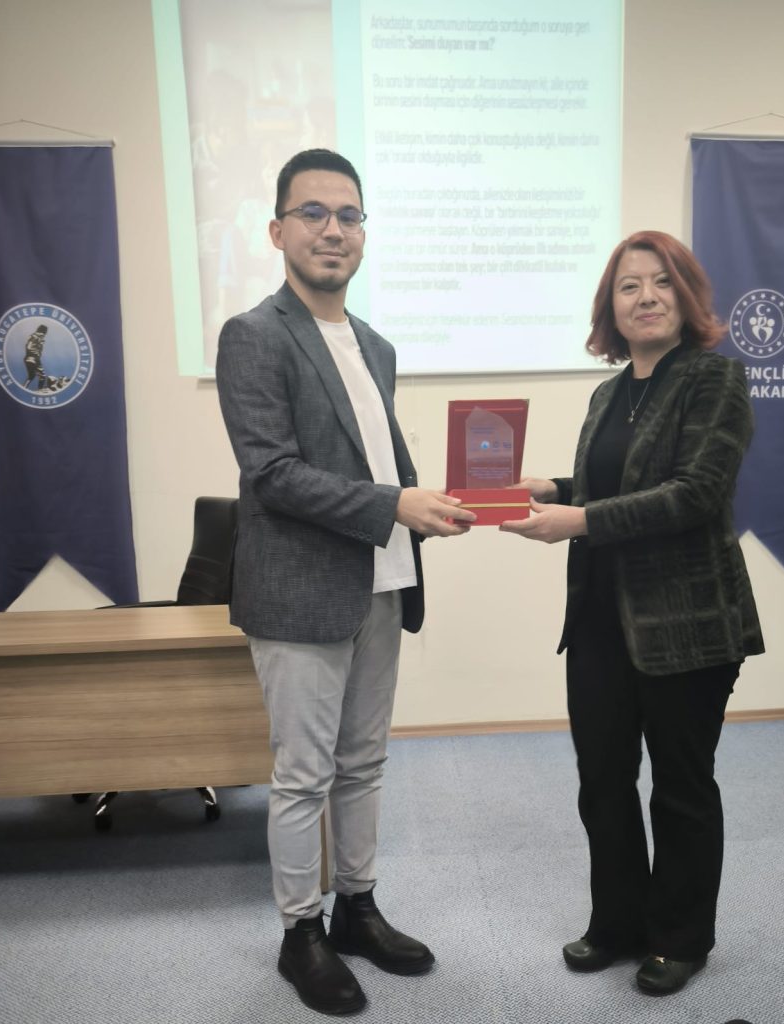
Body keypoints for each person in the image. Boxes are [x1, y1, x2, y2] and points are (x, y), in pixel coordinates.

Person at [216, 148, 476, 1016]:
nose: (334, 229)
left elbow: (373, 461)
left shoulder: (375, 344)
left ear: (364, 231)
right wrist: (395, 503)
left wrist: (427, 506)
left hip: (382, 579)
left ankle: (357, 909)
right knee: (303, 774)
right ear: (277, 230)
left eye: (350, 215)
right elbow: (273, 473)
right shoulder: (255, 335)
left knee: (363, 763)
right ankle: (301, 933)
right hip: (300, 591)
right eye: (315, 213)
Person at [500, 230, 764, 996]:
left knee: (681, 786)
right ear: (610, 308)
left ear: (687, 296)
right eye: (629, 285)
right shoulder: (607, 394)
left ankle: (680, 938)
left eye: (661, 282)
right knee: (603, 782)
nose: (646, 296)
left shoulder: (716, 379)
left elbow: (692, 494)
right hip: (599, 620)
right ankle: (617, 923)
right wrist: (553, 490)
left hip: (688, 624)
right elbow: (610, 485)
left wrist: (578, 520)